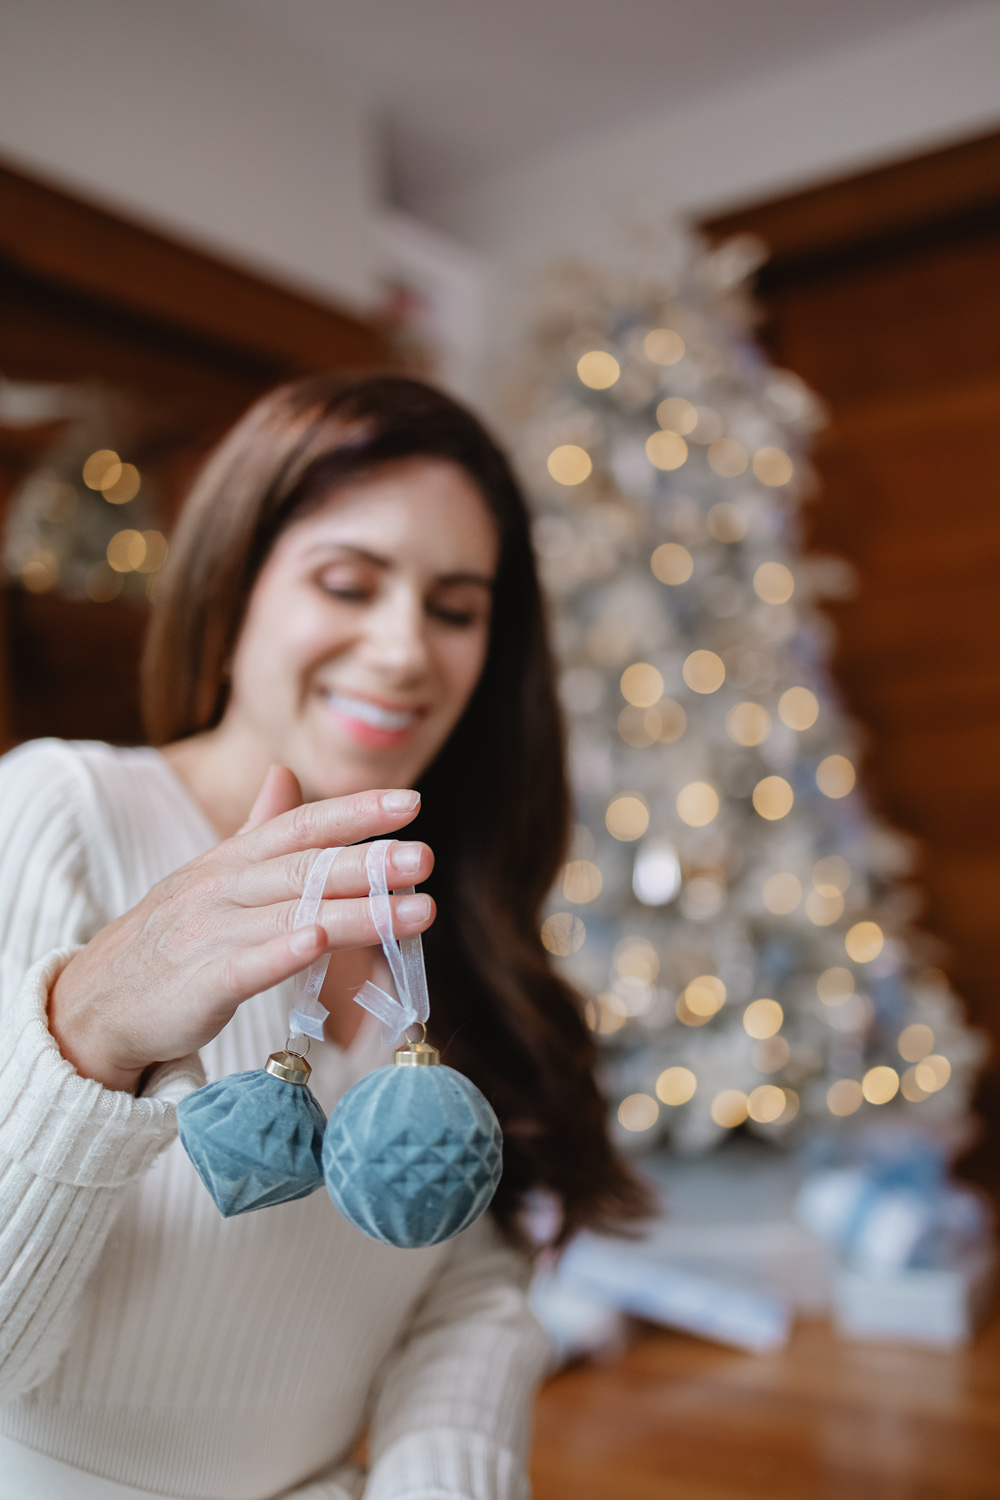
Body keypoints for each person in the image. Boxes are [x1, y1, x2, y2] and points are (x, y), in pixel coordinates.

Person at [0, 375, 647, 1500]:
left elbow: (469, 1290)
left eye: (454, 609)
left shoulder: (456, 911)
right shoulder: (57, 814)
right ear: (234, 588)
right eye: (347, 584)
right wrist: (92, 1028)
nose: (403, 651)